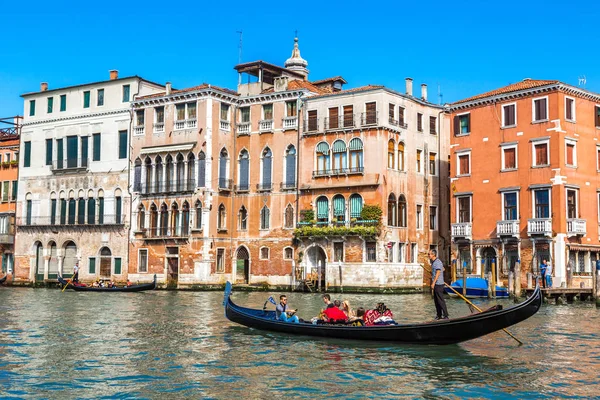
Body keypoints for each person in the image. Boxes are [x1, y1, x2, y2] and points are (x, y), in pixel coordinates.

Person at [429, 249, 449, 320]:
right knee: (436, 300)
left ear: (433, 255)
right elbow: (442, 269)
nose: (429, 255)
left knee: (440, 300)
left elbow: (438, 272)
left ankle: (446, 315)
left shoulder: (437, 262)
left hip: (438, 284)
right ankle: (439, 315)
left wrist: (433, 283)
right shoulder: (434, 262)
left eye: (430, 254)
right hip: (437, 283)